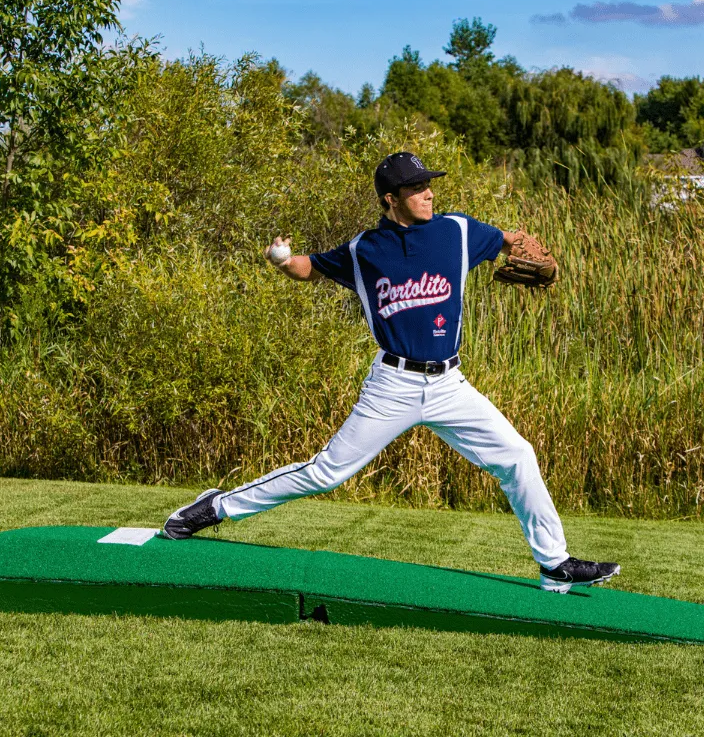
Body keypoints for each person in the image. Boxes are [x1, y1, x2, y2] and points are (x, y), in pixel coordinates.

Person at [162, 152, 620, 594]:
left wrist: (527, 246)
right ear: (390, 198)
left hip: (449, 385)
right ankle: (215, 506)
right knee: (326, 473)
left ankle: (555, 565)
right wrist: (282, 260)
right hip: (393, 385)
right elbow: (310, 269)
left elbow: (508, 239)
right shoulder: (366, 249)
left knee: (517, 456)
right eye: (416, 188)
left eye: (428, 185)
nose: (428, 194)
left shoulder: (457, 231)